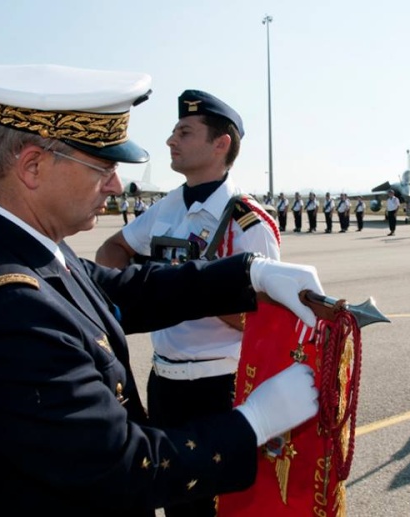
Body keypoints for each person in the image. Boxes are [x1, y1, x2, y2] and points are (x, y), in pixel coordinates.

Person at [0, 64, 322, 517]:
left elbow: (122, 289)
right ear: (32, 166)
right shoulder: (10, 307)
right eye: (102, 166)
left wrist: (249, 275)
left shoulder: (24, 244)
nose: (115, 185)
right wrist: (254, 422)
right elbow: (125, 468)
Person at [95, 89, 280, 516]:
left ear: (221, 144)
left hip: (220, 386)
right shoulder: (167, 208)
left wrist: (195, 290)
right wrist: (137, 292)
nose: (170, 140)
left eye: (185, 131)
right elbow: (112, 250)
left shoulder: (247, 222)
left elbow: (267, 321)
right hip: (164, 383)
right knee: (174, 501)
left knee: (219, 506)